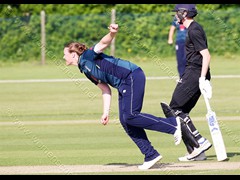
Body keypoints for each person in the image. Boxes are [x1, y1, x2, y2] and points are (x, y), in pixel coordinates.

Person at [63, 23, 187, 170]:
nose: (63, 56)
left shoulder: (88, 56)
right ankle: (151, 155)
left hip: (131, 75)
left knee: (131, 115)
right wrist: (105, 112)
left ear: (73, 54)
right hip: (122, 84)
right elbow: (105, 89)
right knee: (125, 120)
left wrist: (112, 33)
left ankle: (173, 124)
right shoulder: (84, 69)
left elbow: (103, 43)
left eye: (64, 53)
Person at [161, 4, 213, 162]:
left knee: (174, 108)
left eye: (177, 13)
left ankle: (200, 142)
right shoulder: (193, 28)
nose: (175, 16)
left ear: (184, 13)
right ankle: (196, 151)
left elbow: (206, 55)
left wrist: (202, 78)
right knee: (181, 112)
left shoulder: (194, 30)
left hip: (195, 73)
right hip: (191, 72)